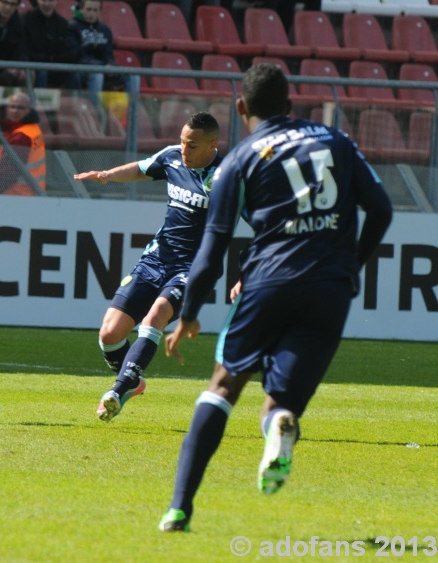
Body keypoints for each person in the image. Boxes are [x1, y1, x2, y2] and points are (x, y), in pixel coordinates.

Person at [158, 64, 393, 532]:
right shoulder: (337, 141)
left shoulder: (240, 159)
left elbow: (212, 248)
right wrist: (351, 267)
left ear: (242, 108)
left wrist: (188, 314)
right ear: (291, 103)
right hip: (329, 289)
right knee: (279, 401)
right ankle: (280, 423)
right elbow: (381, 210)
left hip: (267, 282)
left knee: (223, 386)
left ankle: (179, 508)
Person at [73, 111, 221, 422]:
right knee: (109, 335)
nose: (184, 150)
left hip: (194, 266)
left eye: (192, 145)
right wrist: (108, 174)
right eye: (182, 142)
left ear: (212, 145)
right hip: (156, 258)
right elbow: (142, 169)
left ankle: (119, 388)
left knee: (156, 315)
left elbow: (259, 221)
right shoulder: (171, 157)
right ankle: (133, 380)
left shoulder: (227, 176)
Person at [68, 0, 138, 123]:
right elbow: (76, 55)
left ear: (100, 12)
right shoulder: (72, 27)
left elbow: (108, 53)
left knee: (132, 76)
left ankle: (130, 113)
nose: (91, 13)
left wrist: (111, 64)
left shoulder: (105, 30)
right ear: (82, 9)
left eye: (95, 10)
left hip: (103, 67)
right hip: (82, 70)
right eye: (88, 10)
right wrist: (102, 66)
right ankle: (95, 114)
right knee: (97, 75)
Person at [0, 92, 47, 196]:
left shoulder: (21, 137)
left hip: (14, 195)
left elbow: (8, 172)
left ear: (28, 110)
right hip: (30, 194)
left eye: (20, 108)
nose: (15, 111)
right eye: (12, 107)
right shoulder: (33, 129)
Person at [22, 0, 80, 89]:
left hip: (54, 66)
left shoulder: (62, 23)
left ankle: (75, 101)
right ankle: (39, 102)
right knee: (42, 72)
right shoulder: (25, 19)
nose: (47, 4)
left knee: (73, 74)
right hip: (34, 66)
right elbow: (24, 49)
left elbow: (67, 52)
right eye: (44, 0)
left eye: (51, 0)